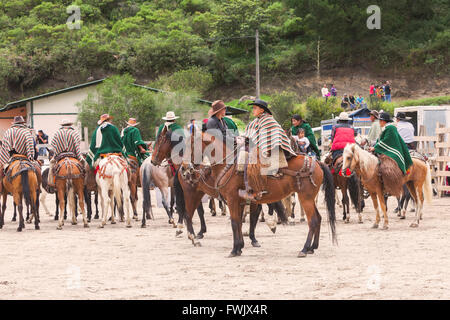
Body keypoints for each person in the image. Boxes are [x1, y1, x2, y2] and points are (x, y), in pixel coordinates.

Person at [240, 99, 296, 200]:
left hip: (269, 147)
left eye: (255, 108)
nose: (253, 110)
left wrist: (258, 146)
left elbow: (270, 136)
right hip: (259, 146)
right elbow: (251, 134)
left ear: (262, 110)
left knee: (250, 162)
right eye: (253, 108)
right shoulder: (256, 121)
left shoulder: (268, 120)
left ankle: (252, 188)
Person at [0, 116, 35, 193]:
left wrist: (4, 158)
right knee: (37, 169)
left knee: (1, 170)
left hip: (11, 157)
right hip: (24, 156)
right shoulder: (26, 132)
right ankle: (38, 186)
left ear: (14, 123)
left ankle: (1, 188)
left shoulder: (8, 131)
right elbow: (30, 146)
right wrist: (30, 157)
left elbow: (4, 146)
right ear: (22, 123)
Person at [48, 119, 84, 187]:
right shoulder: (74, 132)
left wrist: (59, 147)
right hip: (73, 154)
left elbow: (52, 144)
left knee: (51, 165)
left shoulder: (57, 133)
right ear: (70, 125)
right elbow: (78, 143)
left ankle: (51, 183)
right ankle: (85, 182)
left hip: (60, 155)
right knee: (84, 165)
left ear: (62, 125)